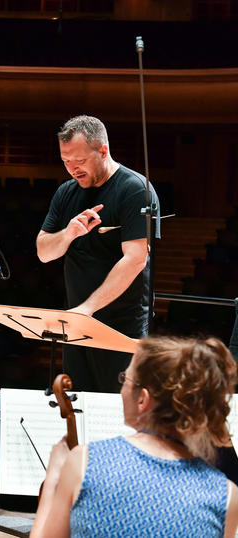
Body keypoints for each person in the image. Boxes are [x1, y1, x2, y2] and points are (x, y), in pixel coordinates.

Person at [31, 336, 238, 537]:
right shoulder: (226, 495)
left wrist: (54, 477)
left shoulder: (85, 461)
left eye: (125, 379)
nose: (122, 388)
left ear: (143, 399)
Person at [36, 115, 160, 392]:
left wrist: (87, 309)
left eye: (79, 161)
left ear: (103, 150)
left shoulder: (135, 190)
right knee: (79, 408)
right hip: (78, 325)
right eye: (65, 161)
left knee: (118, 415)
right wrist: (68, 234)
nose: (71, 168)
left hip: (122, 329)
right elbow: (44, 252)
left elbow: (136, 258)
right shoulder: (65, 193)